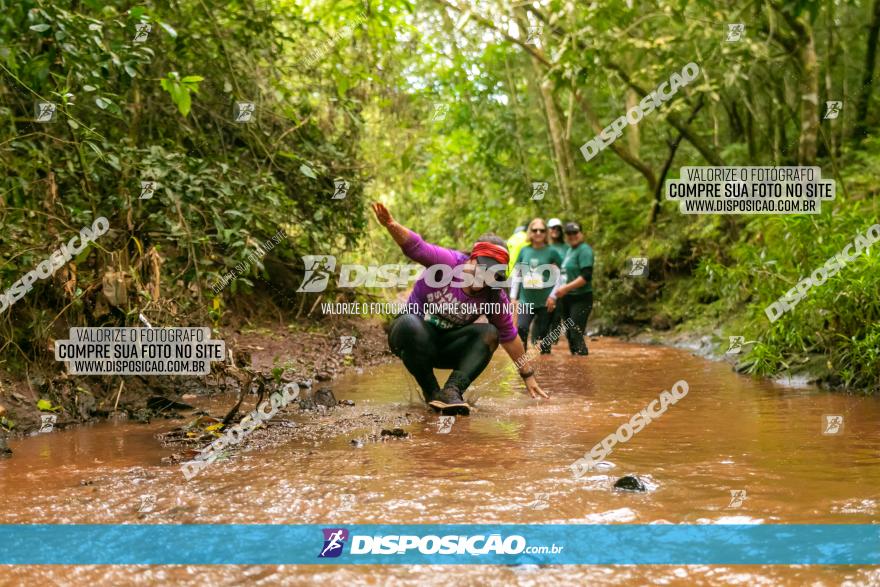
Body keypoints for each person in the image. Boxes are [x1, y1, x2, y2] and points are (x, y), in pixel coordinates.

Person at [372, 202, 549, 415]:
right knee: (410, 323)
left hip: (447, 348)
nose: (485, 278)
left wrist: (528, 376)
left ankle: (451, 392)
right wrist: (390, 224)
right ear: (472, 260)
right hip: (411, 339)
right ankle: (431, 392)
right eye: (482, 269)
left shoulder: (493, 295)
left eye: (493, 275)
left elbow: (510, 338)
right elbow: (416, 247)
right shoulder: (448, 263)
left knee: (490, 334)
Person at [509, 218, 563, 354]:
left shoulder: (552, 252)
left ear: (546, 233)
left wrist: (553, 296)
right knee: (521, 328)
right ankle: (522, 364)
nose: (538, 233)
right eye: (535, 230)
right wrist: (513, 298)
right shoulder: (524, 251)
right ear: (530, 232)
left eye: (542, 230)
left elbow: (563, 274)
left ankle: (546, 368)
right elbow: (517, 275)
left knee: (544, 337)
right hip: (526, 300)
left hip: (545, 301)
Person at [547, 222, 593, 355]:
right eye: (569, 233)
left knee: (575, 332)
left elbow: (586, 276)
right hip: (566, 299)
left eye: (575, 233)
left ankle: (583, 367)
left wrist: (566, 288)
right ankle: (576, 370)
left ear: (581, 233)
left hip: (581, 298)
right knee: (570, 335)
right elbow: (563, 274)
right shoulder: (569, 250)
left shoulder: (585, 250)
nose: (572, 236)